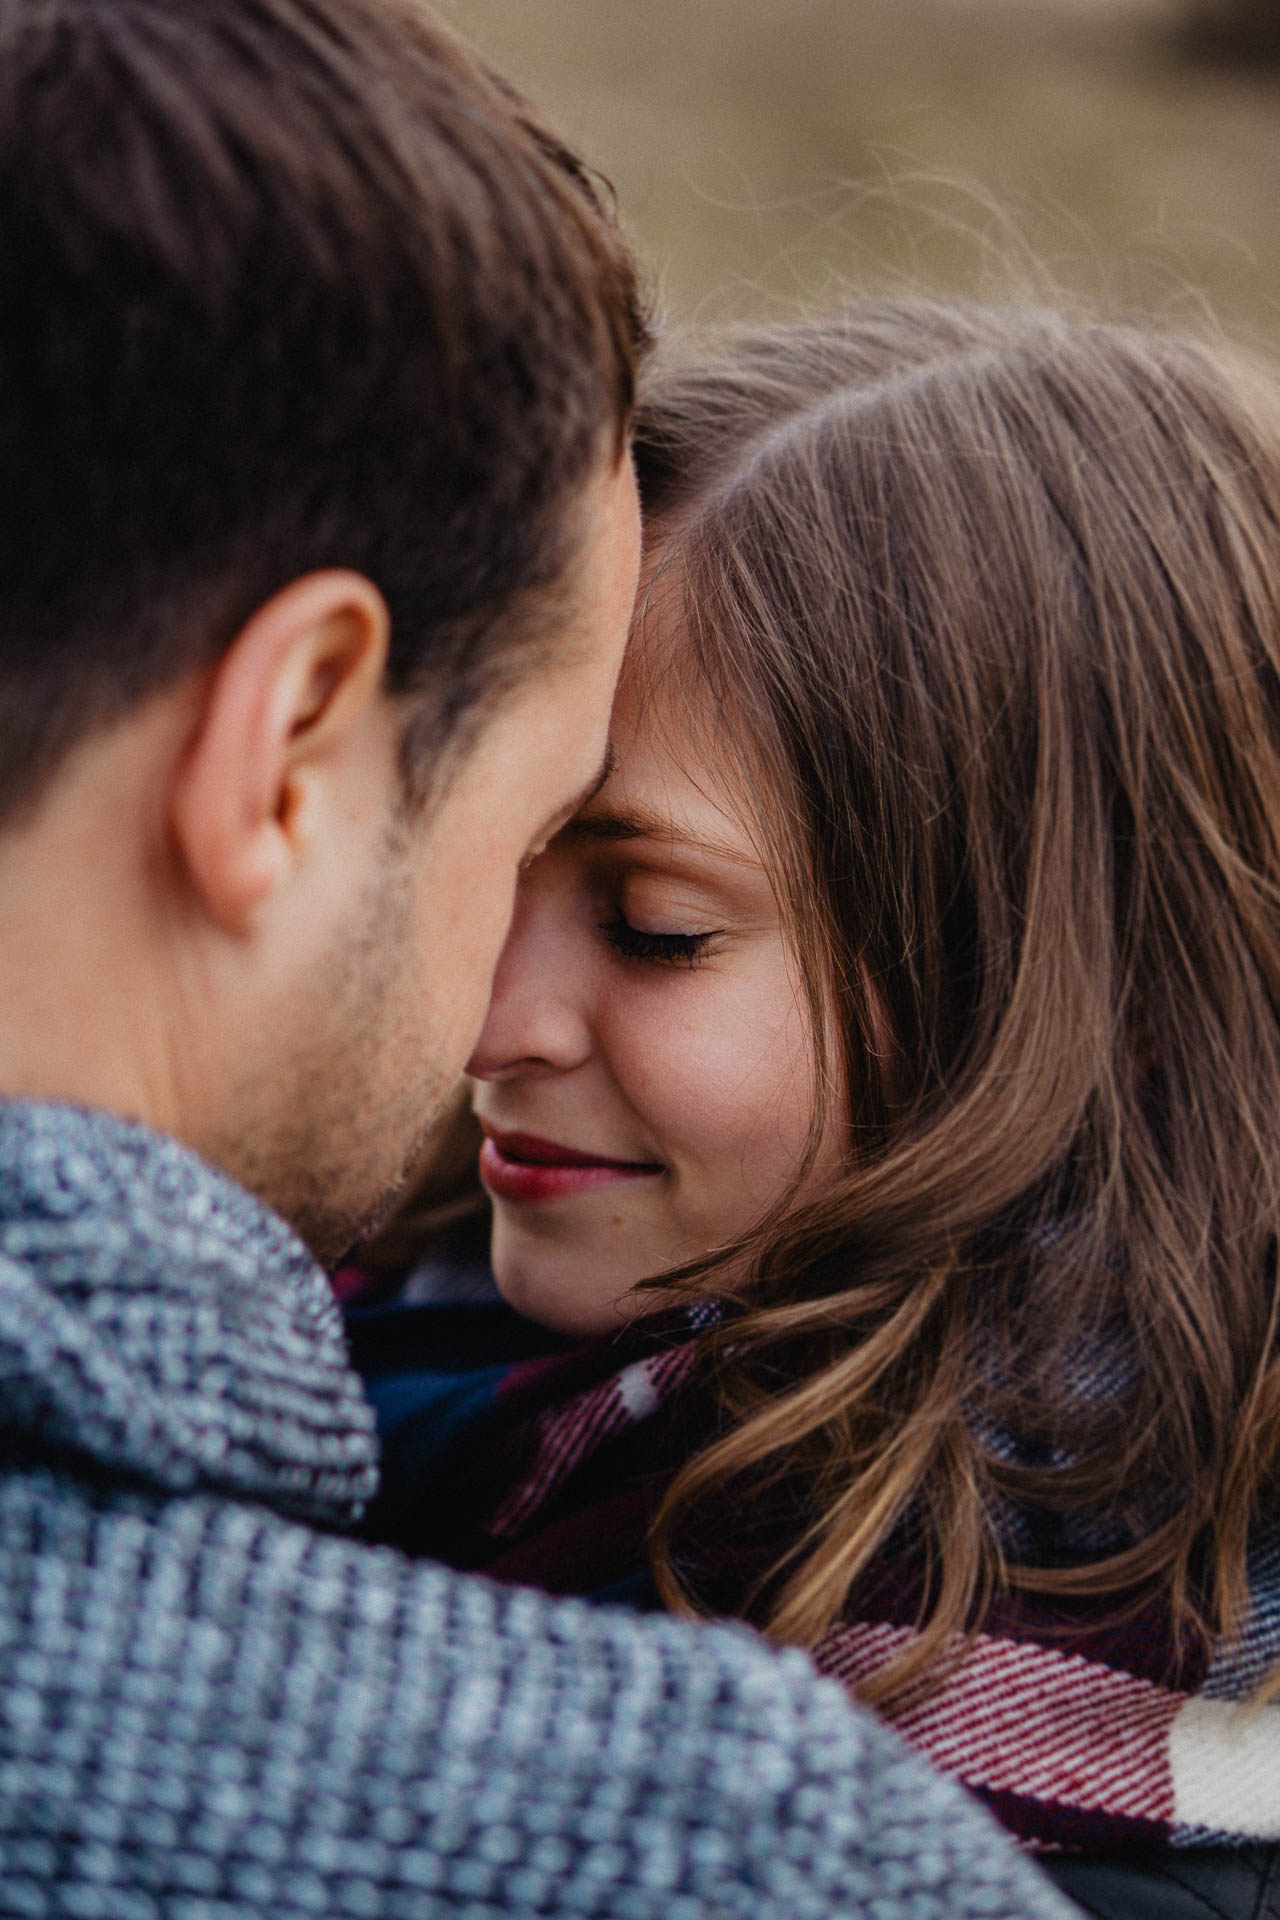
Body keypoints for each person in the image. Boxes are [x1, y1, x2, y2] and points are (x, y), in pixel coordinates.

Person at [0, 3, 1076, 1915]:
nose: (490, 1021)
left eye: (655, 926)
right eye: (515, 844)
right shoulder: (722, 1851)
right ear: (290, 737)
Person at [350, 300, 1280, 1918]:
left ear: (1110, 1001)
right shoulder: (422, 1313)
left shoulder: (986, 1806)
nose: (485, 1020)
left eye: (657, 923)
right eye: (486, 864)